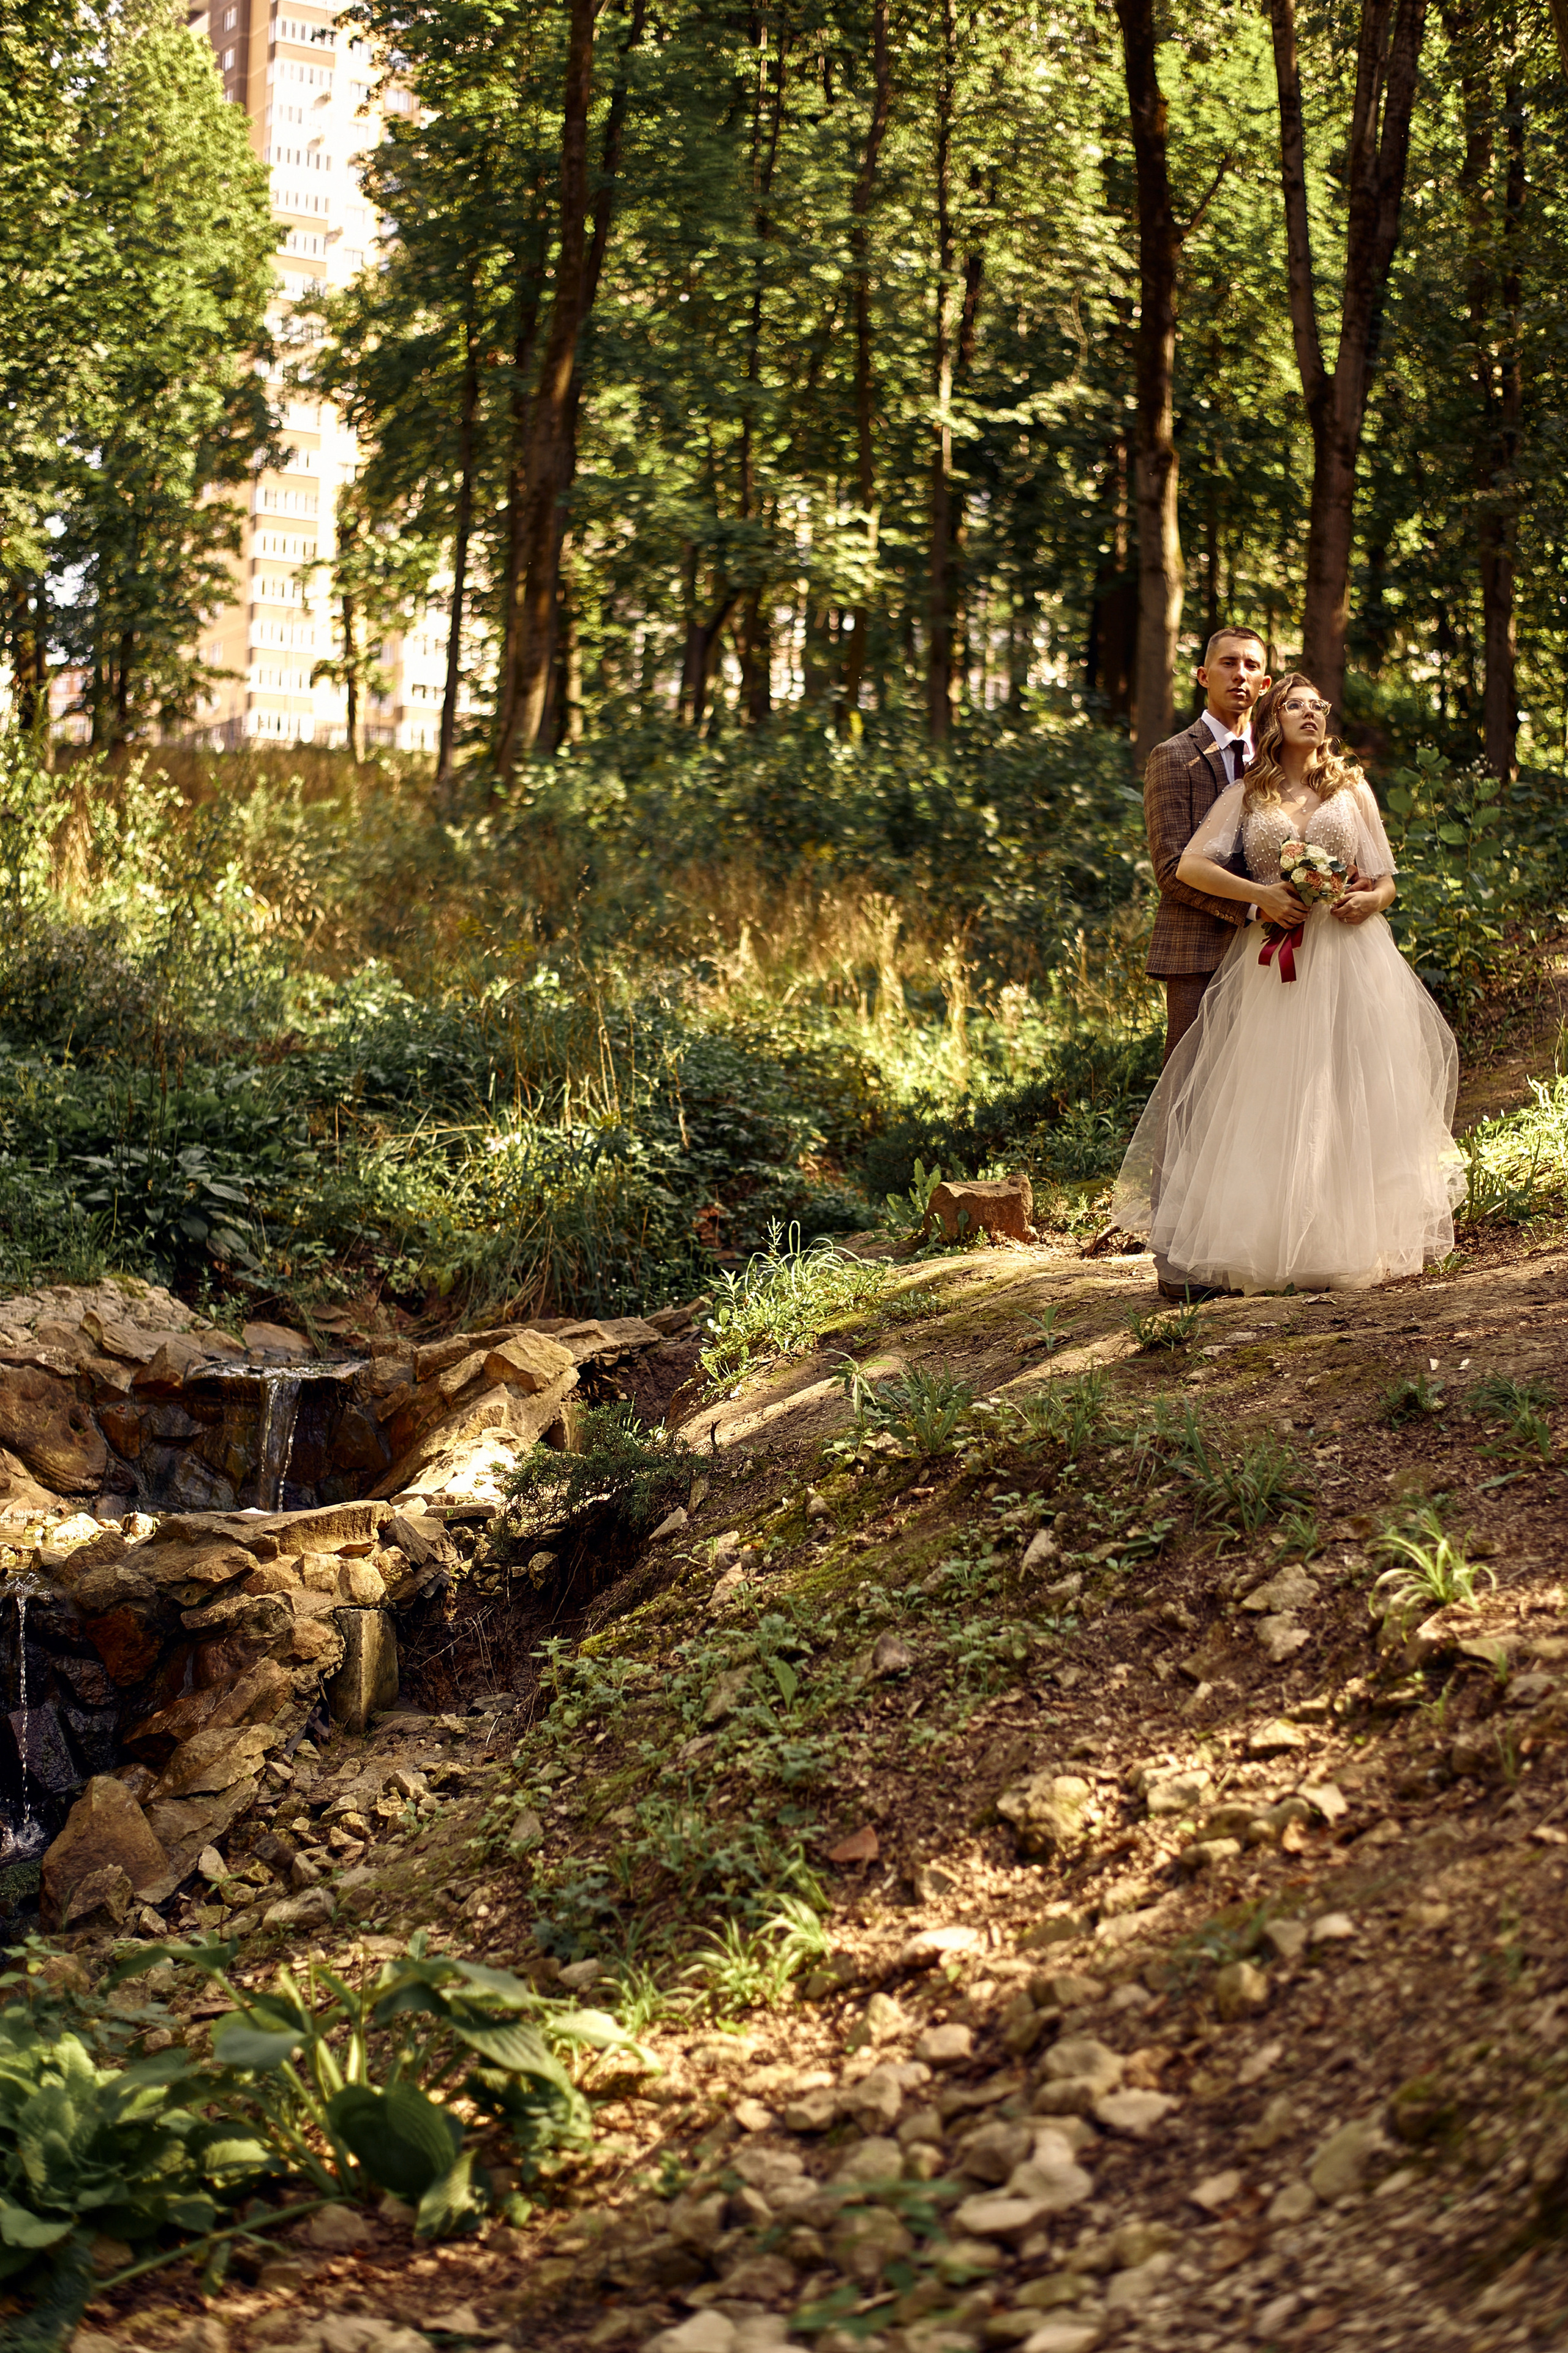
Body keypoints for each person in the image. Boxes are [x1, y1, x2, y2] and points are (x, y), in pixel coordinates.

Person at [1115, 674, 1464, 1296]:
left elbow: (1384, 878)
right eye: (1296, 705)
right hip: (1272, 959)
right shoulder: (1246, 795)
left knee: (1348, 1084)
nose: (1311, 713)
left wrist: (1370, 902)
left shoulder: (1351, 788)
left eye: (1318, 705)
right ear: (1274, 719)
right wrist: (1261, 896)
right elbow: (1191, 864)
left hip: (1350, 955)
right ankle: (1270, 1240)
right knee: (1271, 1090)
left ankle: (1345, 1237)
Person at [1142, 627, 1275, 1075]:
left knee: (1259, 1082)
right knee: (1190, 1088)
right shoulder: (1173, 756)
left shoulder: (1277, 761)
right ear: (1203, 675)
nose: (1240, 674)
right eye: (1228, 663)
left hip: (1275, 950)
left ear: (1266, 684)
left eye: (1252, 666)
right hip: (1197, 948)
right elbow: (1170, 868)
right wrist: (1257, 907)